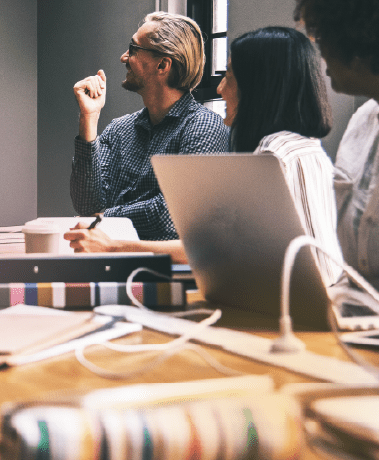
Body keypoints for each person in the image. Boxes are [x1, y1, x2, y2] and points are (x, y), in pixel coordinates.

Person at [65, 26, 344, 285]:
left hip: (299, 307)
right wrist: (89, 119)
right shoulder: (303, 150)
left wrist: (110, 236)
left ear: (258, 87)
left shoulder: (272, 156)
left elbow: (213, 245)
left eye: (229, 76)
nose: (220, 89)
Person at [69, 12, 229, 242]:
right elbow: (86, 205)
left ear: (162, 65)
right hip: (109, 259)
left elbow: (172, 215)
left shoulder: (204, 127)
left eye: (133, 49)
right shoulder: (119, 129)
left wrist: (105, 218)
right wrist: (89, 117)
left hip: (162, 265)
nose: (124, 57)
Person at [295, 0, 379, 289]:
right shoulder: (361, 122)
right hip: (355, 307)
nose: (321, 55)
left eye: (322, 39)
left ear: (354, 40)